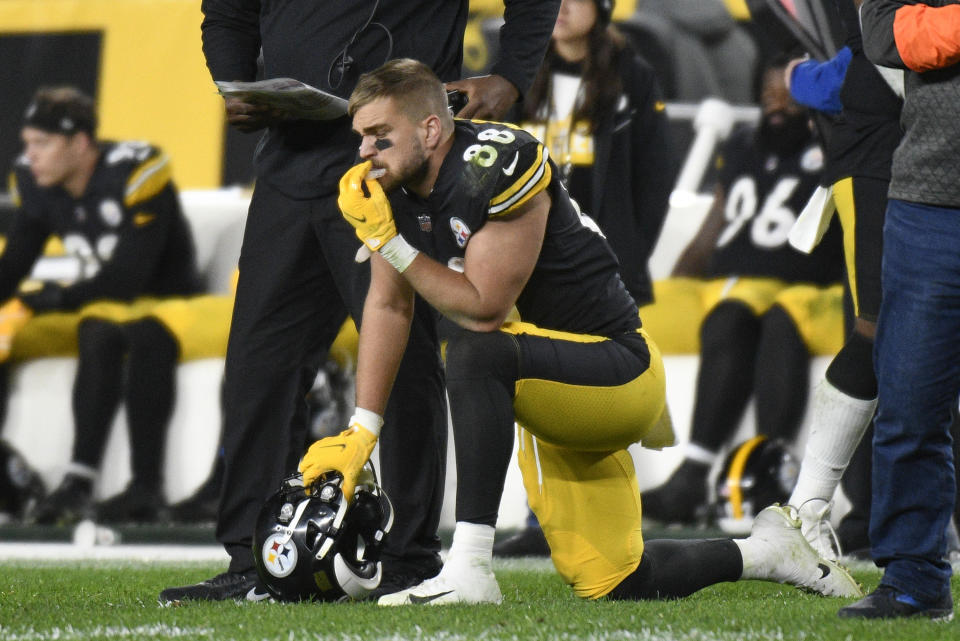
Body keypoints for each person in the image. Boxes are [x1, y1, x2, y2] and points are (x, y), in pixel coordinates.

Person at [298, 57, 862, 606]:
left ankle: (469, 564)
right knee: (618, 580)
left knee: (472, 347)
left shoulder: (494, 161)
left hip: (614, 371)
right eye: (361, 138)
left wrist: (389, 244)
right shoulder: (390, 185)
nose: (365, 153)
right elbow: (389, 306)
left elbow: (485, 309)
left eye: (379, 136)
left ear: (430, 126)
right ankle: (768, 552)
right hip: (545, 382)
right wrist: (362, 430)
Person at [159, 0, 562, 604]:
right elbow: (227, 12)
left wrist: (510, 75)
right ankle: (256, 558)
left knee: (403, 363)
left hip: (397, 165)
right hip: (289, 165)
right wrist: (234, 78)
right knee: (256, 362)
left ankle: (408, 558)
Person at [494, 0, 676, 557]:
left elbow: (654, 176)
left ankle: (605, 530)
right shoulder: (519, 74)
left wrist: (628, 253)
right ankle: (538, 519)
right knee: (538, 381)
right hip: (533, 255)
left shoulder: (635, 76)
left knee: (589, 390)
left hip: (597, 264)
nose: (563, 8)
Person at [640, 60, 845, 525]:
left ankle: (768, 471)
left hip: (802, 286)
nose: (778, 109)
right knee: (654, 316)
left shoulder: (837, 144)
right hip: (726, 282)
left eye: (790, 99)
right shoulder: (742, 146)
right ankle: (693, 473)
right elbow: (716, 219)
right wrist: (678, 274)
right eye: (769, 99)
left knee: (766, 318)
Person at [2, 86, 202, 524]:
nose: (29, 154)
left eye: (42, 143)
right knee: (5, 335)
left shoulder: (135, 168)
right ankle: (6, 477)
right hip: (97, 302)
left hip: (162, 303)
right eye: (27, 143)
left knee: (101, 329)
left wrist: (53, 296)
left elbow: (129, 279)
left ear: (80, 143)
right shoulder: (36, 182)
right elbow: (14, 263)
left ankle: (86, 480)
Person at [836, 0, 960, 621]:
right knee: (910, 401)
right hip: (929, 201)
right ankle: (914, 579)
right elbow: (885, 34)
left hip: (927, 202)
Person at [779, 0, 904, 560]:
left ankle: (900, 516)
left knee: (919, 344)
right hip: (878, 161)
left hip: (925, 166)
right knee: (880, 331)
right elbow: (854, 69)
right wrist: (796, 76)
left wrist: (796, 77)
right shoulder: (886, 23)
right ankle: (810, 507)